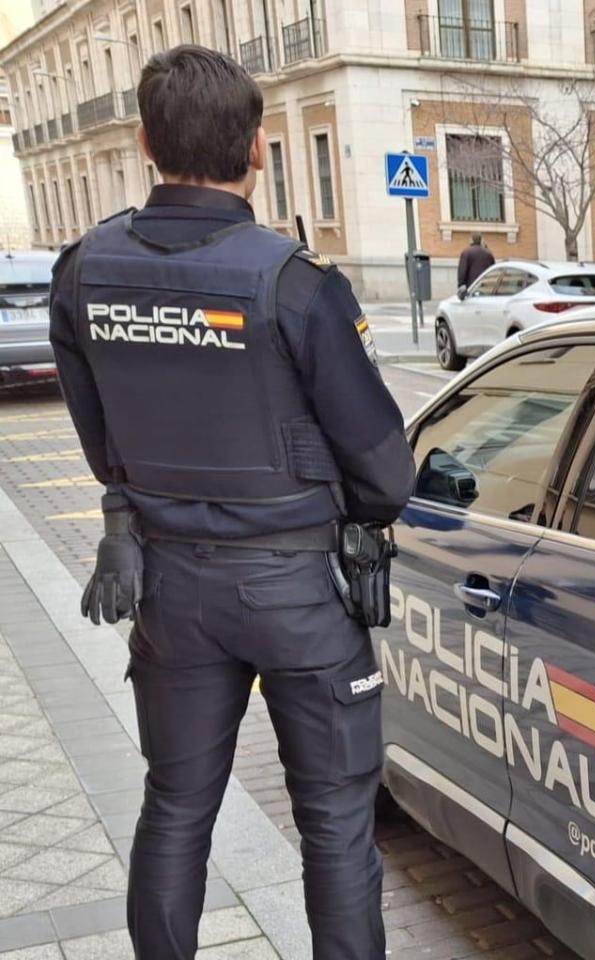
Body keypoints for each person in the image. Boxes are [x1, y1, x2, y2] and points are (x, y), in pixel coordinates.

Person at [47, 46, 414, 960]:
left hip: (166, 588)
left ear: (143, 141)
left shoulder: (83, 270)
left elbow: (104, 450)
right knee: (334, 825)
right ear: (257, 148)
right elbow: (385, 472)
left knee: (174, 808)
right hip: (299, 592)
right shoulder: (294, 282)